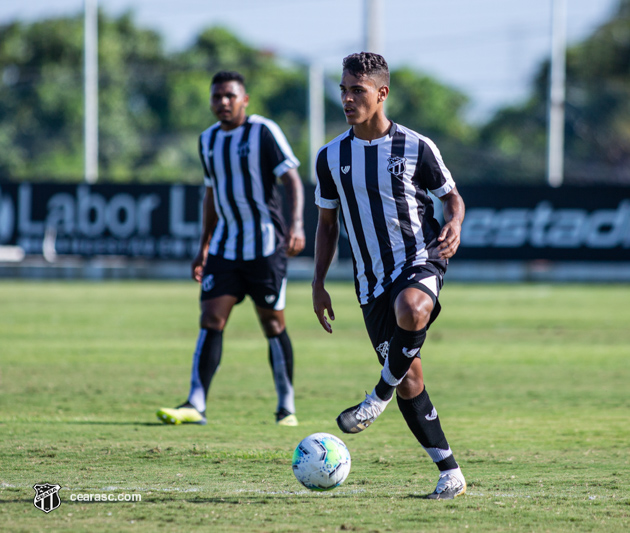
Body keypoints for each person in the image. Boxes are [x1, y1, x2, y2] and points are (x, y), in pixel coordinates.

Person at [312, 53, 467, 499]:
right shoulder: (330, 157)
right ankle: (450, 472)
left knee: (412, 306)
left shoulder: (417, 147)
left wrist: (454, 224)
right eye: (343, 89)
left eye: (356, 90)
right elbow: (327, 225)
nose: (346, 98)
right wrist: (318, 283)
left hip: (422, 257)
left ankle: (375, 398)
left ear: (381, 94)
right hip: (369, 283)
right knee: (411, 379)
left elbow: (451, 199)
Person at [157, 70, 305, 427]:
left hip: (265, 246)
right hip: (225, 247)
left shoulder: (263, 131)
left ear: (244, 99)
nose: (222, 102)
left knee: (272, 323)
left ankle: (286, 406)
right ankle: (196, 403)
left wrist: (297, 224)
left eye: (229, 96)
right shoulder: (207, 140)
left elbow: (292, 179)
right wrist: (203, 246)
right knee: (211, 319)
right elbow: (211, 194)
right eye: (216, 97)